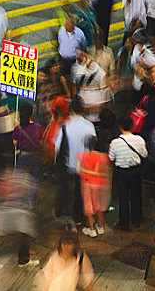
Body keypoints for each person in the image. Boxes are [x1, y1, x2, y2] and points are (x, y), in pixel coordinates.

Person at [55, 96, 96, 229]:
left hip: (69, 164)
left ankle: (68, 213)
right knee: (80, 192)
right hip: (85, 166)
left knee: (67, 190)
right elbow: (92, 145)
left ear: (71, 110)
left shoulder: (66, 126)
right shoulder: (90, 126)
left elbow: (57, 147)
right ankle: (79, 218)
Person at [108, 115, 147, 231]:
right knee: (136, 196)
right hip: (136, 171)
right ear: (132, 126)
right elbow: (144, 155)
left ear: (120, 127)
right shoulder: (140, 140)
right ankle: (137, 220)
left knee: (123, 197)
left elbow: (111, 158)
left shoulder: (115, 143)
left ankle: (124, 222)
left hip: (121, 172)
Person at [77, 136, 111, 238]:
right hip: (102, 184)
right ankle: (100, 226)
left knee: (89, 205)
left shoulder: (81, 156)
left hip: (87, 183)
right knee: (101, 205)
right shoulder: (105, 157)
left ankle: (91, 229)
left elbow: (78, 170)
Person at [13, 101, 43, 208]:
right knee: (34, 179)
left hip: (23, 156)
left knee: (19, 179)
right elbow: (40, 141)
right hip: (35, 157)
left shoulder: (18, 128)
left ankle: (18, 201)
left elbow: (15, 143)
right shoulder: (38, 127)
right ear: (32, 113)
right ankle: (32, 203)